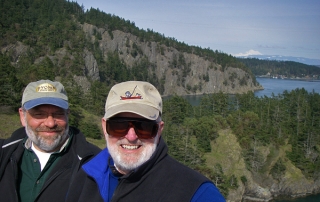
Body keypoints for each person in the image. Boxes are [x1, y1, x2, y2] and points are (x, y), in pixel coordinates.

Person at [77, 81, 226, 202]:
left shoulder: (195, 192)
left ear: (159, 130)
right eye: (119, 125)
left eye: (144, 127)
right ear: (104, 127)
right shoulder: (85, 174)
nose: (131, 136)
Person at [0, 80, 101, 202]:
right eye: (39, 114)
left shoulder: (96, 163)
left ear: (67, 114)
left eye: (58, 114)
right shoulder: (4, 153)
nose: (50, 123)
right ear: (22, 116)